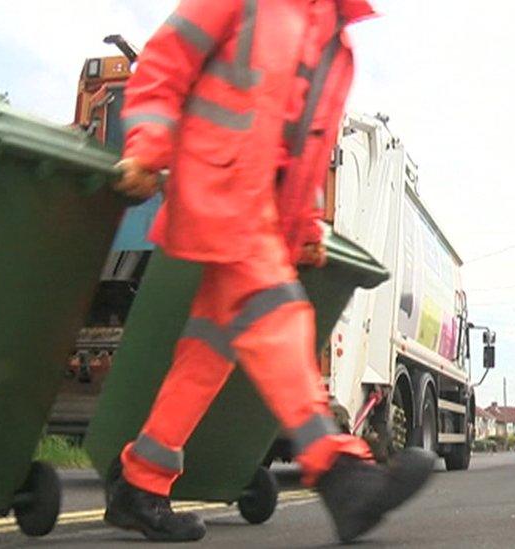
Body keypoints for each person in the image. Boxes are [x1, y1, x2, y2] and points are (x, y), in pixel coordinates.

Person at [103, 0, 435, 543]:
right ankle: (340, 473)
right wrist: (148, 147)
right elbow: (164, 63)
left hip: (263, 215)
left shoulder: (338, 40)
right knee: (277, 317)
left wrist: (304, 226)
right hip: (217, 189)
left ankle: (141, 480)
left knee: (207, 351)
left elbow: (309, 141)